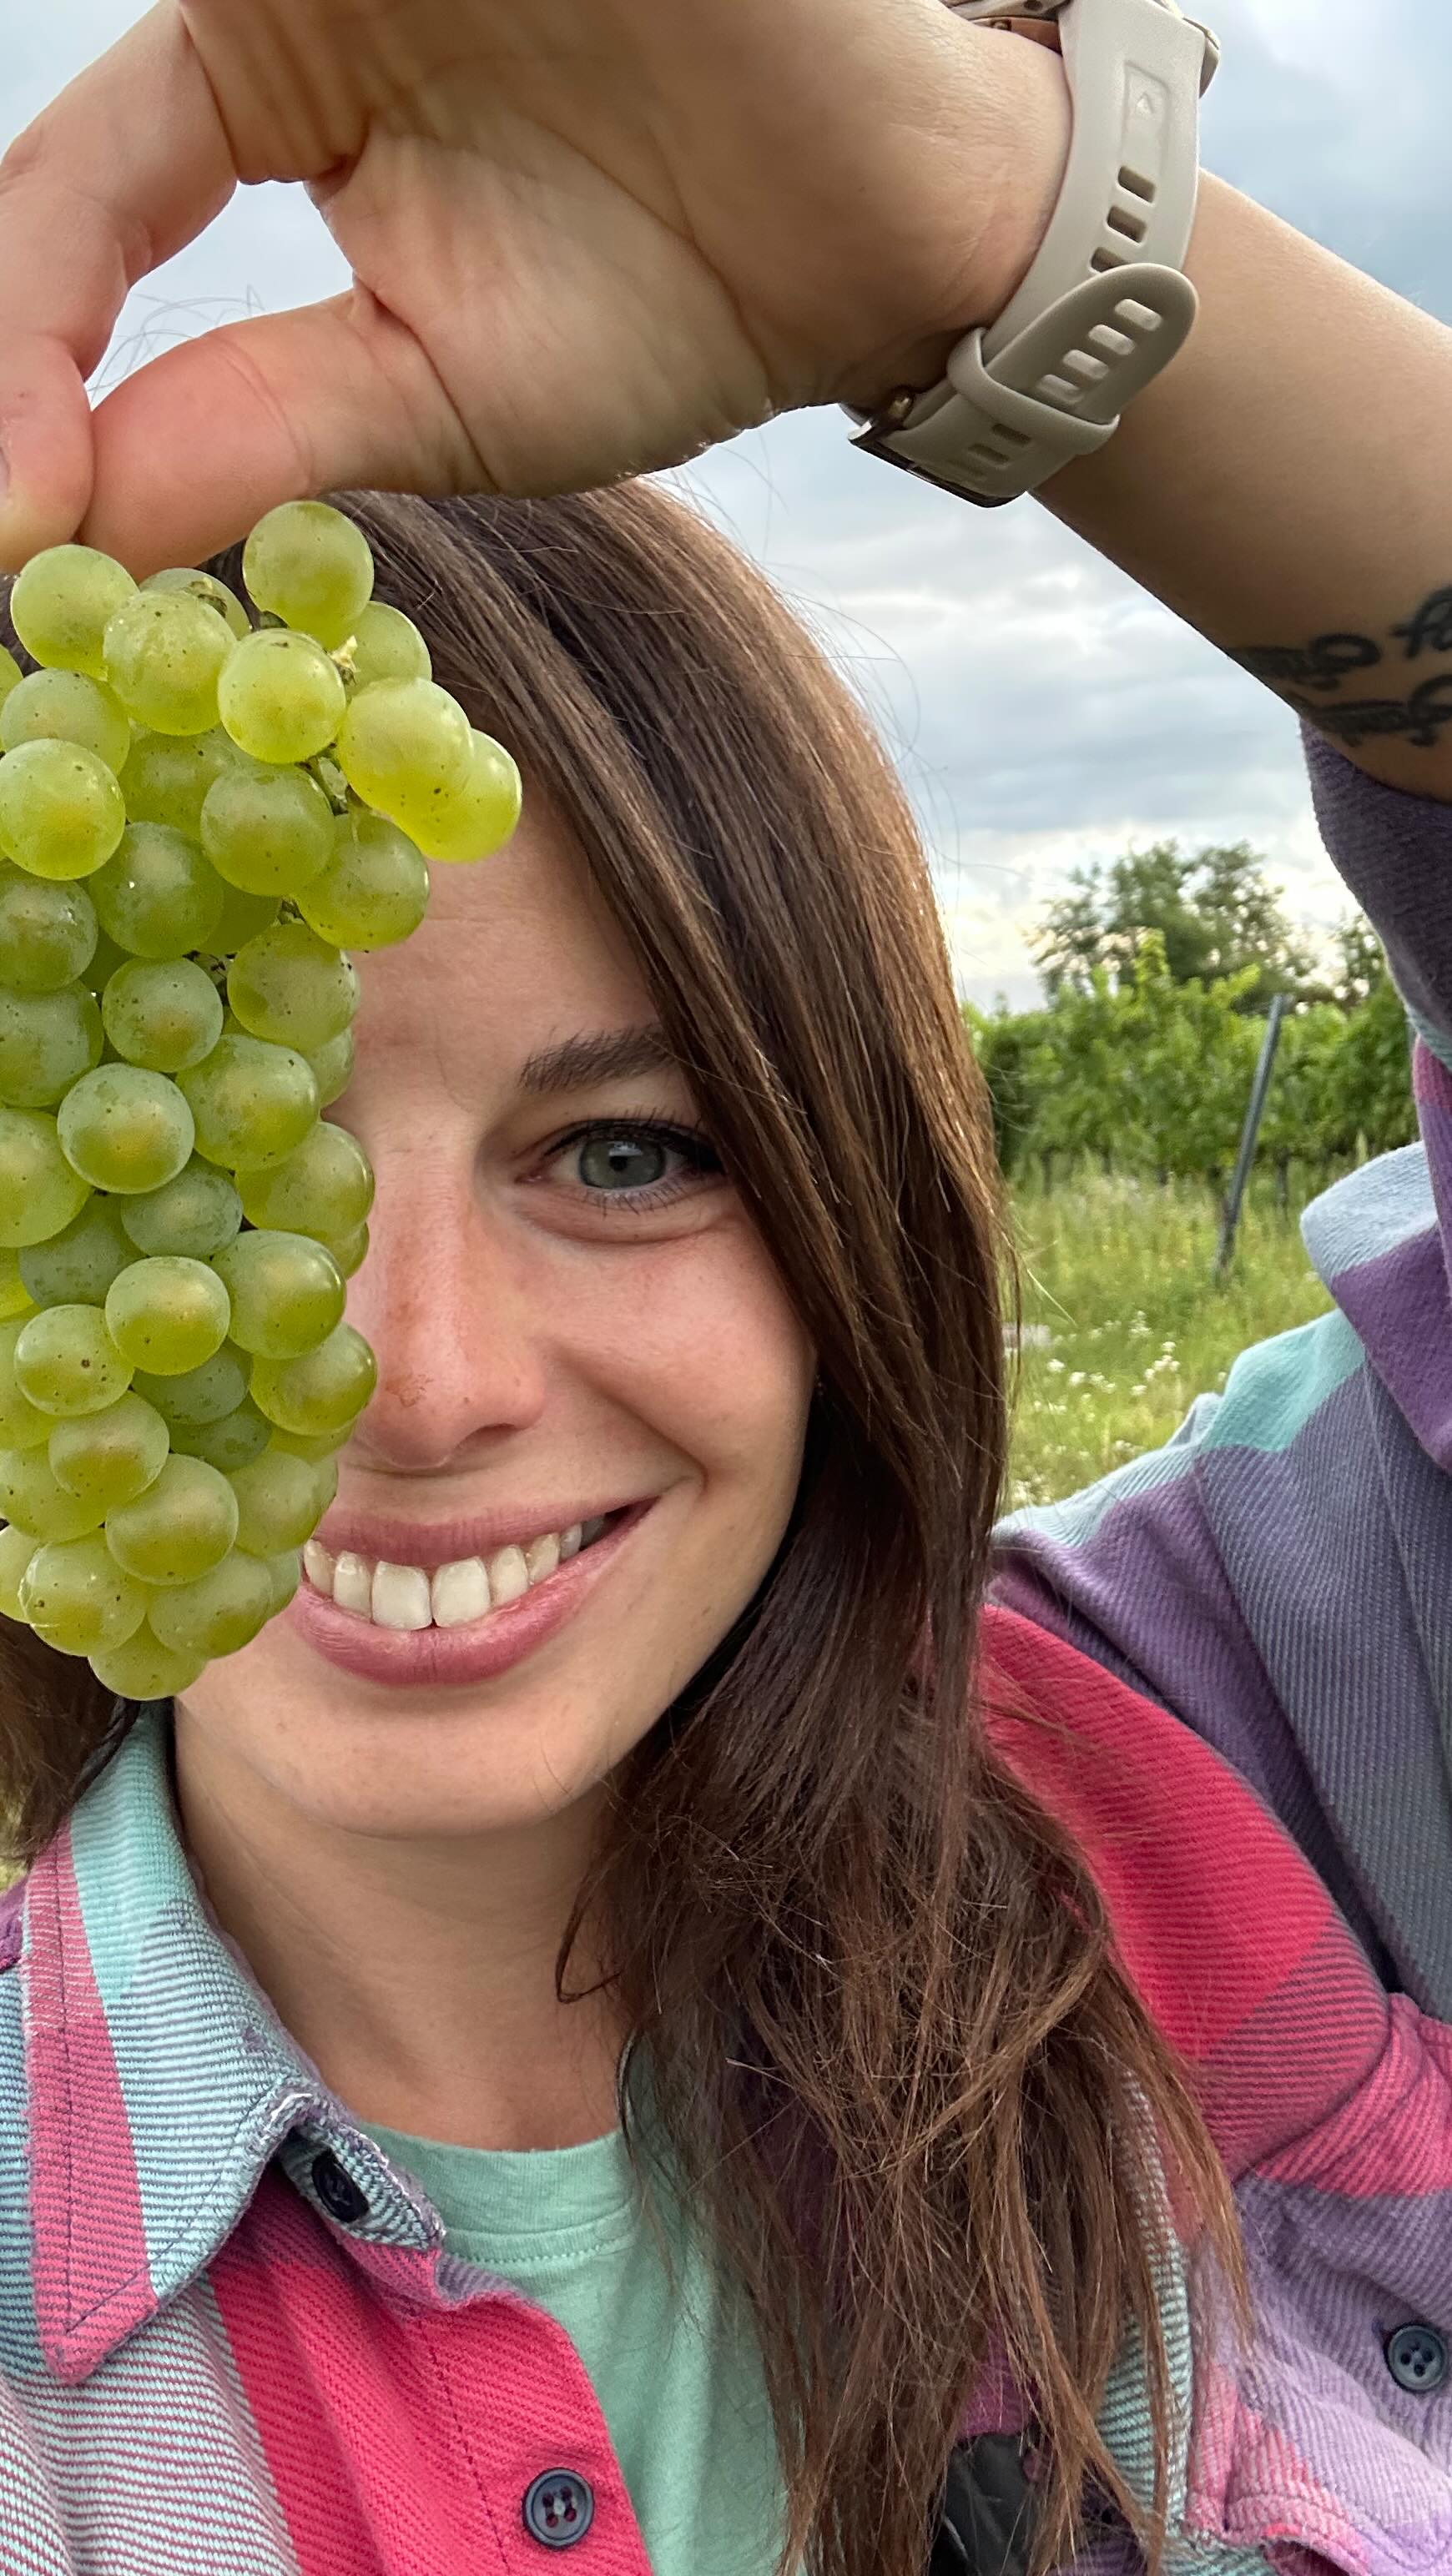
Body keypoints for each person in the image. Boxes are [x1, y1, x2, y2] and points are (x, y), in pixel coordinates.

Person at [1, 8, 1452, 2576]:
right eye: (257, 1177)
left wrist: (1015, 244)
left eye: (629, 1150)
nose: (419, 1381)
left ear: (846, 1202)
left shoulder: (1265, 1748)